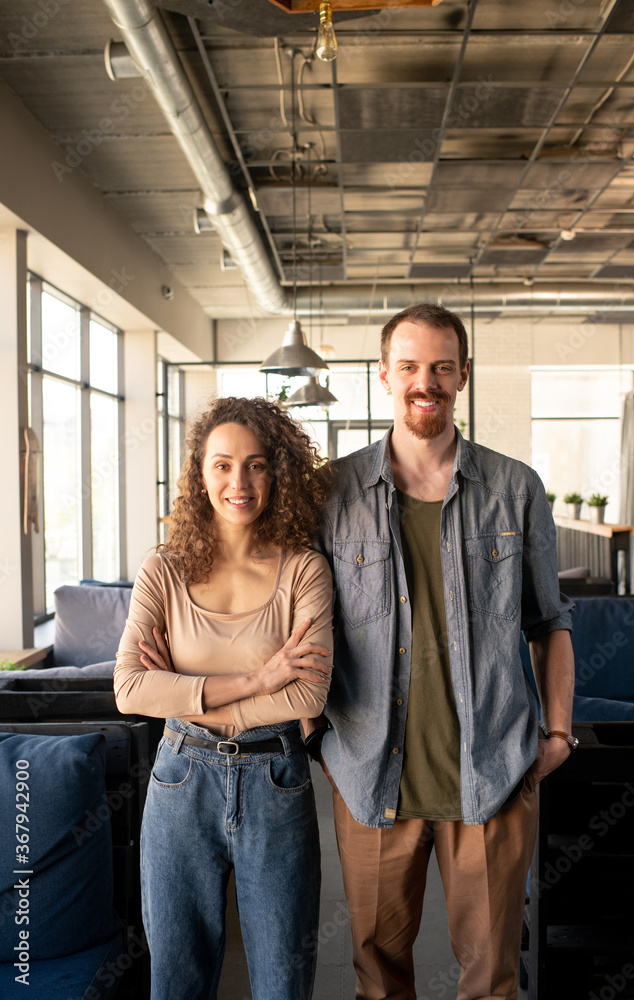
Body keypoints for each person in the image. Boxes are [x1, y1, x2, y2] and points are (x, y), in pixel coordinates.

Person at [310, 303, 576, 1000]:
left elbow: (550, 621)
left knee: (491, 981)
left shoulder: (514, 488)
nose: (423, 382)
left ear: (463, 375)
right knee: (377, 981)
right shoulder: (332, 494)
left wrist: (555, 734)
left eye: (439, 367)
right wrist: (315, 733)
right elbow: (303, 620)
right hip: (370, 777)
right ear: (382, 376)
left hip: (493, 772)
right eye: (408, 367)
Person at [114, 395, 333, 1000]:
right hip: (181, 779)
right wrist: (261, 681)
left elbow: (310, 689)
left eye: (257, 464)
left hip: (276, 780)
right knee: (176, 980)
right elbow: (130, 688)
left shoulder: (304, 570)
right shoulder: (163, 568)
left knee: (283, 980)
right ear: (199, 473)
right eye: (222, 464)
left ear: (277, 472)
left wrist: (183, 694)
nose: (240, 482)